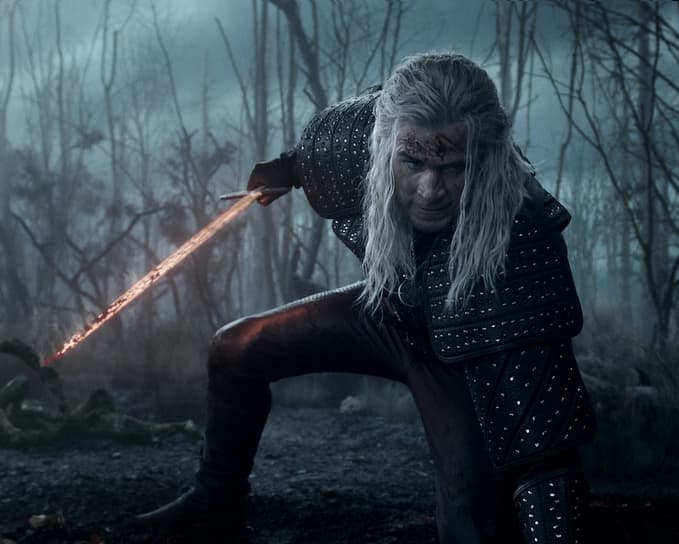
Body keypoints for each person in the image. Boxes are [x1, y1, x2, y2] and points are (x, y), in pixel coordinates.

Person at [133, 52, 595, 544]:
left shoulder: (520, 241)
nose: (430, 189)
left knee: (469, 530)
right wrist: (288, 169)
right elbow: (324, 152)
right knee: (236, 347)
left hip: (462, 355)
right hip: (388, 311)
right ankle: (217, 501)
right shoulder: (370, 134)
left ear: (485, 160)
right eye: (412, 164)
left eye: (453, 168)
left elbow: (545, 455)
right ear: (385, 145)